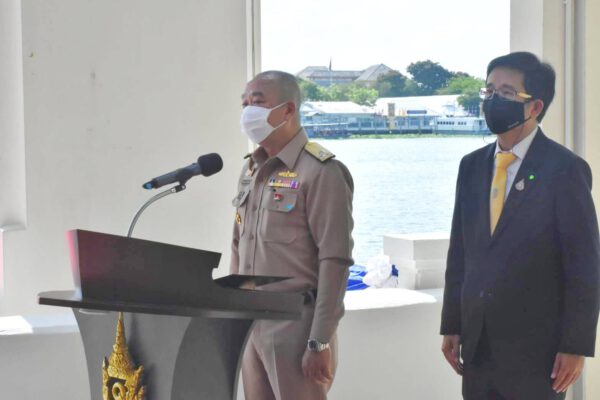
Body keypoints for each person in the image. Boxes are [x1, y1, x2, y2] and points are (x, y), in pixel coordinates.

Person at [440, 51, 600, 399]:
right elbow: (460, 251)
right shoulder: (471, 166)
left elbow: (584, 266)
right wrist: (452, 323)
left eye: (507, 93)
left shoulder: (565, 169)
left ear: (535, 106)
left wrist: (576, 345)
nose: (493, 100)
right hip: (477, 343)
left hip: (538, 351)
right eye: (489, 90)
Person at [230, 70, 354, 400]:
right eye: (244, 103)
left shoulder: (321, 171)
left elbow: (335, 260)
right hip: (251, 324)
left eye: (258, 102)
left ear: (288, 110)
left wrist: (320, 340)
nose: (248, 111)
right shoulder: (251, 169)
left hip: (295, 327)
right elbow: (238, 245)